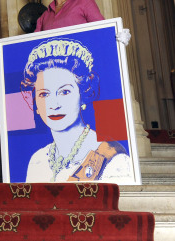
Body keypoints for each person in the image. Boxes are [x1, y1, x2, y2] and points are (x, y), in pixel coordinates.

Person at [21, 38, 132, 182]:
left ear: (83, 95)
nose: (54, 104)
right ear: (35, 103)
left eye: (64, 92)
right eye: (44, 94)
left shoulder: (114, 160)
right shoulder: (37, 160)